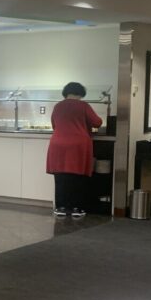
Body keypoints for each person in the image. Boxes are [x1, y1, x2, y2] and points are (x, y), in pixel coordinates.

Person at [46, 82, 102, 219]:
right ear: (80, 93)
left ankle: (61, 208)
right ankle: (77, 208)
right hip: (78, 145)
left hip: (58, 144)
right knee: (78, 178)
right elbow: (97, 122)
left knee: (60, 177)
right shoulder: (83, 106)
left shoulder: (58, 106)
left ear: (66, 93)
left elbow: (54, 124)